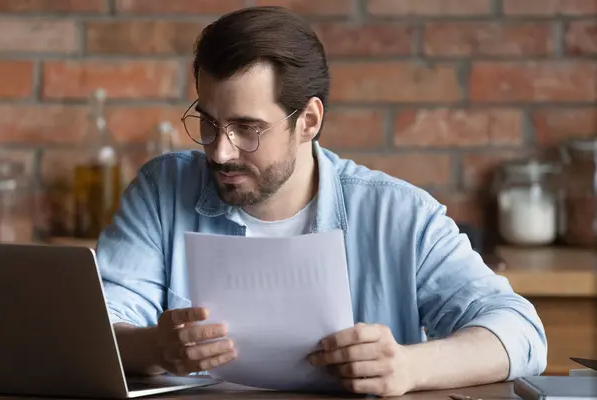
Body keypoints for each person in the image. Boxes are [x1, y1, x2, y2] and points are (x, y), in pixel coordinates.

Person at [95, 6, 547, 397]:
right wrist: (156, 347)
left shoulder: (398, 215)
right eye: (209, 123)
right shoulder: (162, 190)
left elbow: (522, 333)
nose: (219, 150)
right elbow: (96, 331)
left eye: (247, 128)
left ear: (308, 121)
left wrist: (410, 366)